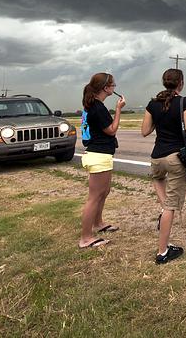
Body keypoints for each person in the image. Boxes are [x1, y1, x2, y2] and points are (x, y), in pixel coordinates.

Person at [141, 68, 186, 264]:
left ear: (164, 82)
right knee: (171, 207)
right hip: (175, 157)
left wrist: (159, 118)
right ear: (181, 83)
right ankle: (162, 252)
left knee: (158, 181)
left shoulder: (153, 103)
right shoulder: (184, 102)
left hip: (157, 158)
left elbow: (145, 131)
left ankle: (163, 216)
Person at [79, 72, 125, 249]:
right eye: (113, 85)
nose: (114, 88)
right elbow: (111, 130)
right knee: (94, 197)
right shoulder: (98, 108)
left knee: (104, 192)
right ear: (106, 88)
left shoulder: (94, 106)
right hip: (98, 155)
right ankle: (86, 237)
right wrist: (119, 109)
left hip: (101, 155)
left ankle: (98, 223)